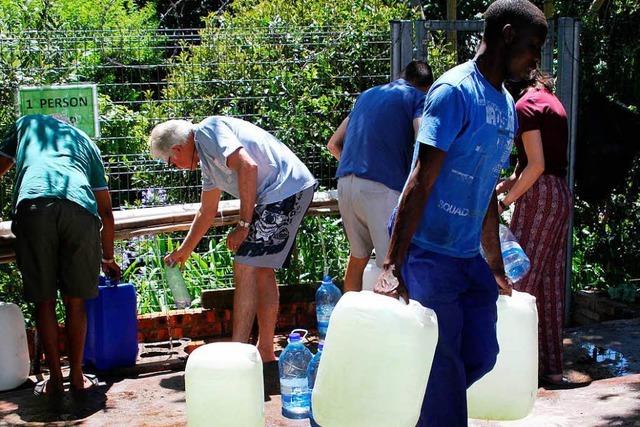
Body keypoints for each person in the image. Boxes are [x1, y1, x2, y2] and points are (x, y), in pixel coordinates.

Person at [374, 0, 548, 425]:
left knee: (482, 353)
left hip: (466, 253)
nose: (535, 62)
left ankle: (407, 408)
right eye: (532, 48)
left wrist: (493, 262)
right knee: (443, 364)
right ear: (507, 36)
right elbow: (421, 177)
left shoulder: (506, 105)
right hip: (428, 250)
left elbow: (485, 185)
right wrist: (392, 262)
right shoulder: (455, 91)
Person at [149, 116, 316, 362]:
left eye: (172, 163)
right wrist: (184, 251)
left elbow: (247, 166)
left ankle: (239, 355)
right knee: (261, 269)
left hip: (286, 189)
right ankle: (265, 352)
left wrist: (243, 225)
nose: (175, 167)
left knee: (245, 265)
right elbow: (207, 211)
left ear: (177, 149)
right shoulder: (206, 160)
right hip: (282, 192)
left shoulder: (207, 131)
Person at [0, 114, 121, 397]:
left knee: (44, 301)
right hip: (79, 209)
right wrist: (108, 258)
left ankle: (55, 379)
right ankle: (77, 376)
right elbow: (105, 211)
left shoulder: (28, 123)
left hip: (35, 206)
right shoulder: (86, 143)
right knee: (75, 301)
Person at [327, 60, 433, 292]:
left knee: (357, 257)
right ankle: (392, 328)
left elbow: (333, 144)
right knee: (392, 266)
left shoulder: (366, 95)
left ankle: (350, 324)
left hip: (345, 183)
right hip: (382, 189)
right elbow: (423, 141)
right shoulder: (418, 98)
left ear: (401, 76)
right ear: (425, 86)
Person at [497, 69, 572, 387]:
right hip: (560, 194)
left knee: (517, 281)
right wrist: (502, 187)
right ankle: (552, 369)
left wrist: (504, 203)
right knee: (550, 287)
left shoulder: (525, 106)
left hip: (539, 197)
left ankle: (510, 369)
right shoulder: (551, 102)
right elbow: (536, 164)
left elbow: (536, 166)